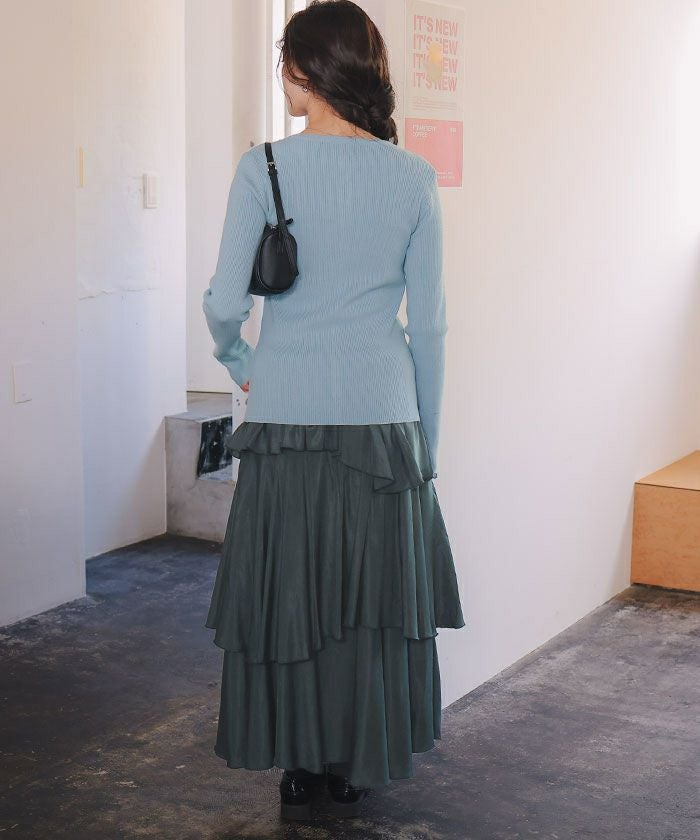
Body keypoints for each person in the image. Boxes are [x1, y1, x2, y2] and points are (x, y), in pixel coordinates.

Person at [202, 0, 466, 823]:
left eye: (286, 62)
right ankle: (356, 765)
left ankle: (299, 766)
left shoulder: (264, 168)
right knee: (370, 606)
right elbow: (430, 326)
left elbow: (223, 303)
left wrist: (245, 365)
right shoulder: (412, 177)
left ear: (305, 72)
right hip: (384, 422)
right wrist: (425, 438)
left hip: (286, 419)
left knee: (292, 594)